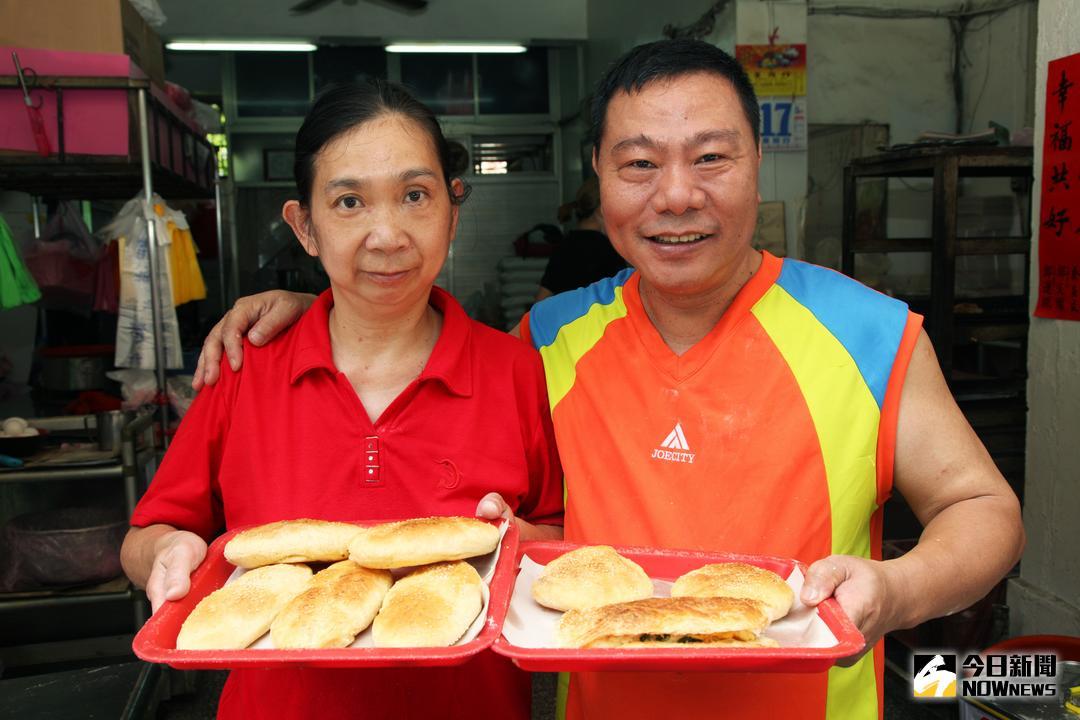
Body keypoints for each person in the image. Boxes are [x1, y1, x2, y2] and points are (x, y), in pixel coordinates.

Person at [193, 40, 1025, 720]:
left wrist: (898, 588)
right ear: (597, 174)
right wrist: (306, 304)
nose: (676, 196)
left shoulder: (867, 333)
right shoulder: (546, 342)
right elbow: (410, 337)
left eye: (710, 158)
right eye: (638, 165)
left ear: (756, 165)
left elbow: (985, 511)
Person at [121, 80, 563, 720]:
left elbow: (561, 537)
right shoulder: (245, 368)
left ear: (452, 210)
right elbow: (147, 535)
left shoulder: (518, 371)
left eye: (415, 196)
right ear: (305, 226)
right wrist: (168, 555)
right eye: (350, 201)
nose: (387, 235)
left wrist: (515, 543)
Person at [536, 177, 628, 301]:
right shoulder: (609, 251)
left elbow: (541, 298)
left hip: (568, 319)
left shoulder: (565, 245)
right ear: (602, 210)